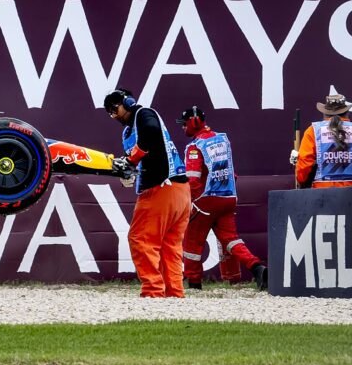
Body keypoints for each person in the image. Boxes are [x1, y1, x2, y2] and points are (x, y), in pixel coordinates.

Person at [104, 88, 192, 298]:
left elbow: (150, 133)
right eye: (110, 112)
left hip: (160, 188)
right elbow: (143, 152)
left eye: (115, 108)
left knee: (140, 238)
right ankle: (174, 293)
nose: (114, 115)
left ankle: (152, 291)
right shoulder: (129, 130)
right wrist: (128, 169)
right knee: (170, 245)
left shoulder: (143, 114)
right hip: (180, 190)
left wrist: (132, 159)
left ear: (128, 102)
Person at [177, 106, 268, 291]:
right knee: (231, 240)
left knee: (192, 243)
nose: (182, 128)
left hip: (206, 201)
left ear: (193, 123)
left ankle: (194, 283)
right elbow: (232, 174)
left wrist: (189, 203)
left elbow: (193, 180)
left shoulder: (194, 147)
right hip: (228, 198)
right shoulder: (222, 140)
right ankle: (257, 268)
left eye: (184, 124)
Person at [292, 92, 352, 189]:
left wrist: (301, 182)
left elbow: (304, 163)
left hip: (322, 194)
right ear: (347, 112)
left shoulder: (313, 130)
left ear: (325, 113)